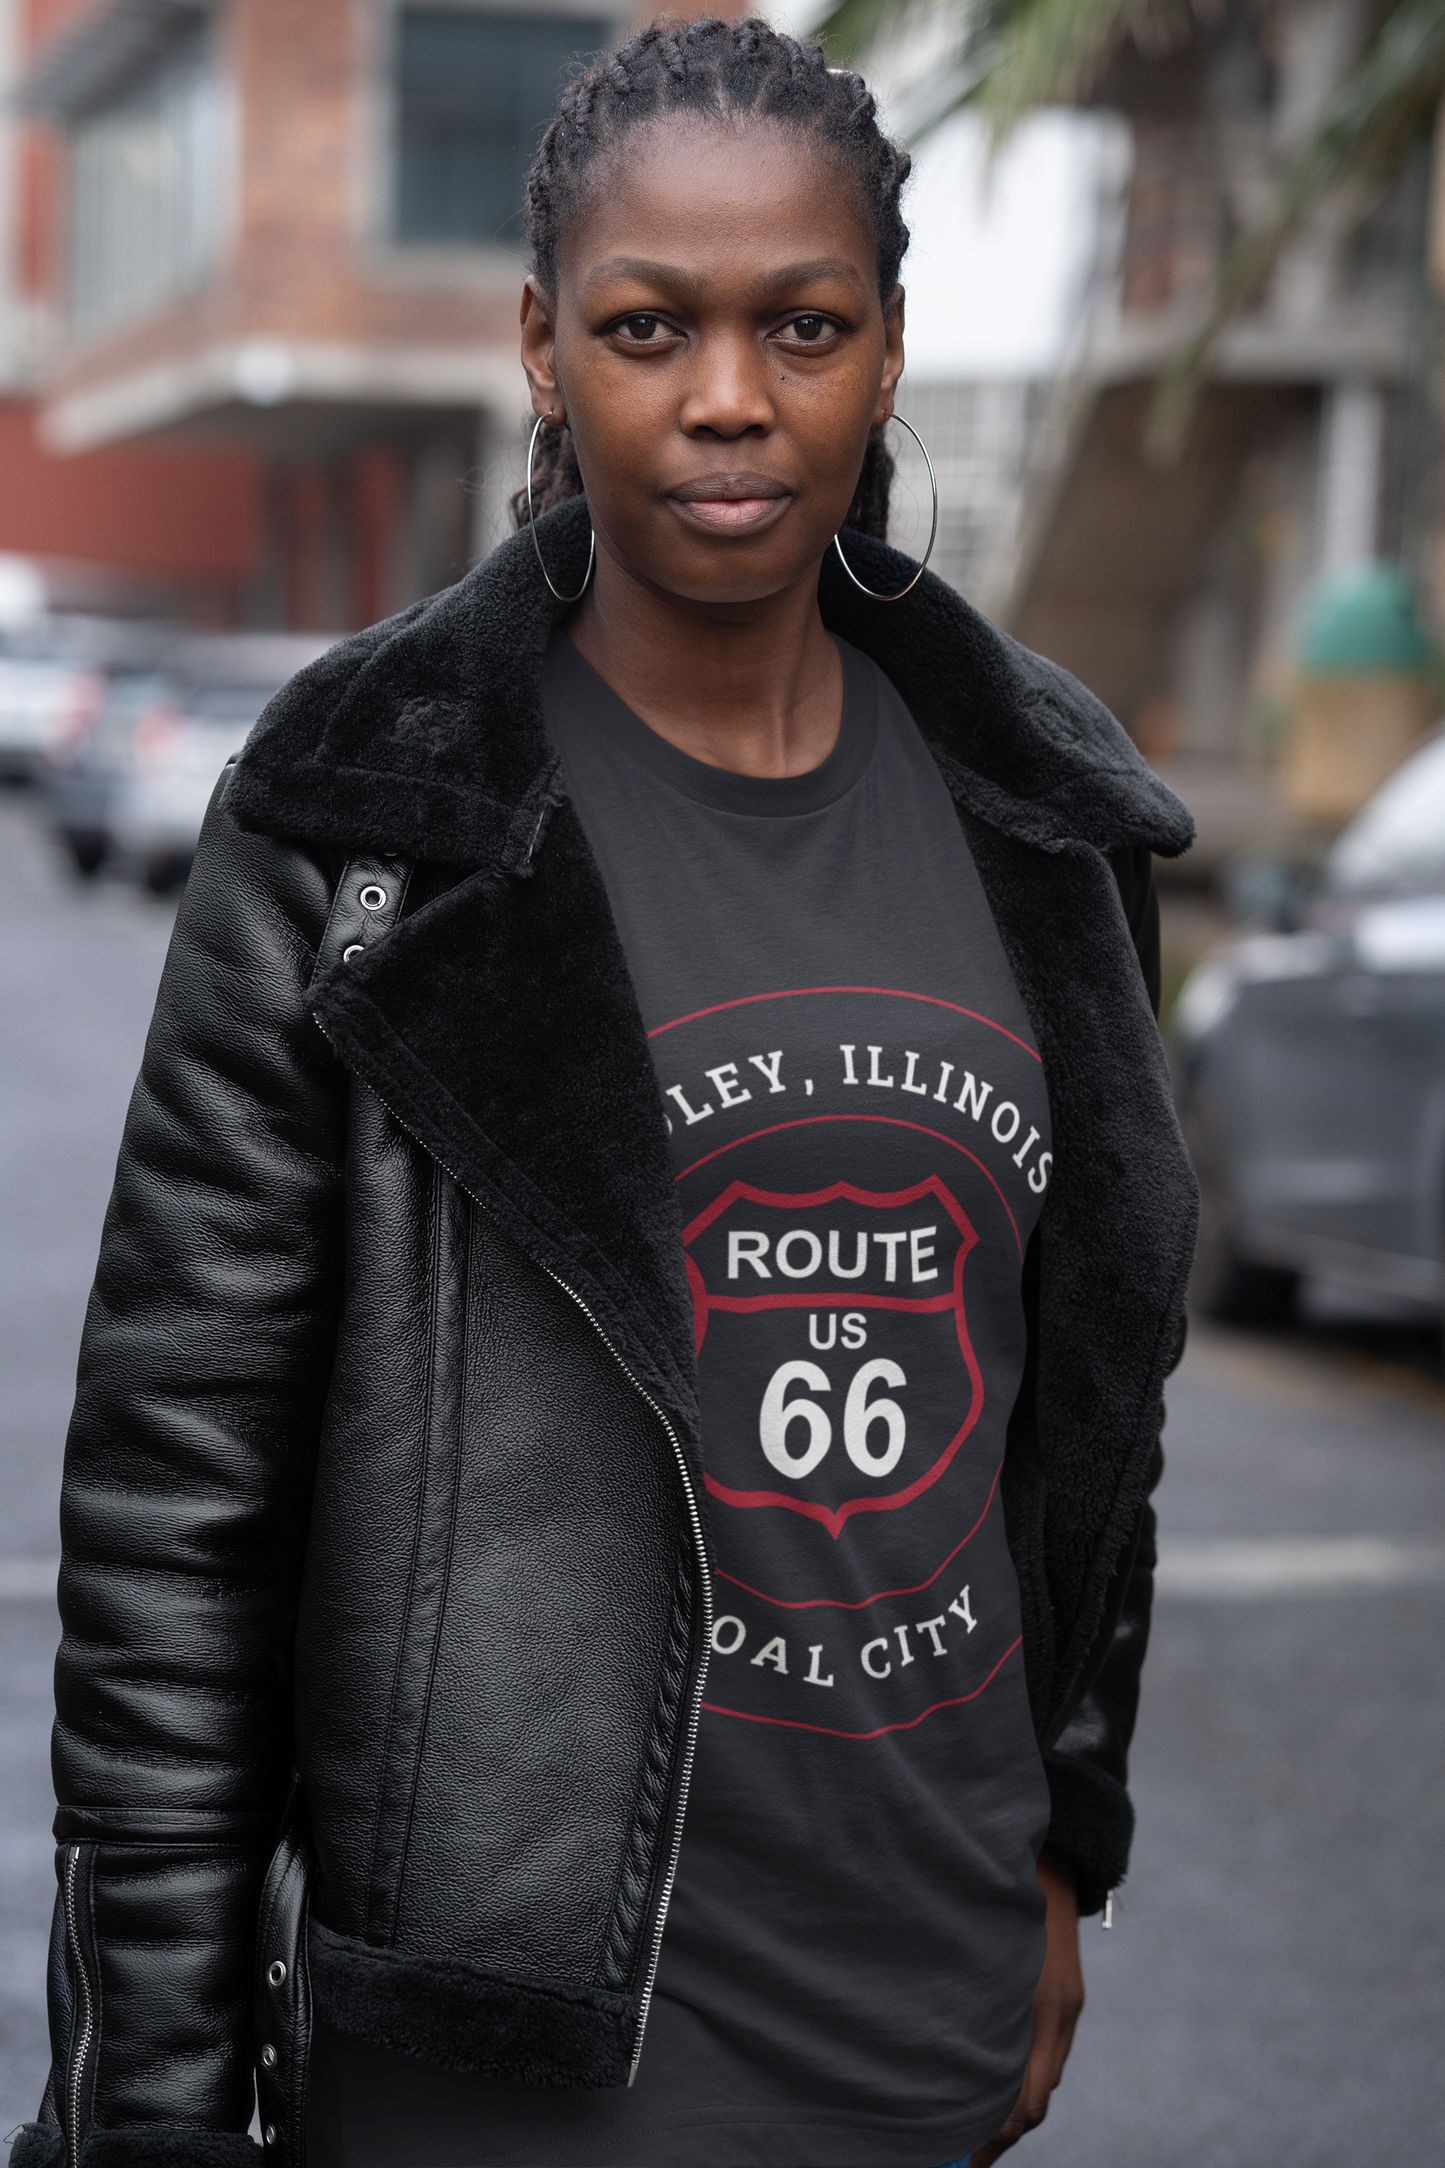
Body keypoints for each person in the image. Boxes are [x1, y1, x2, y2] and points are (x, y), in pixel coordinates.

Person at [14, 18, 1197, 2168]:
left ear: (886, 344)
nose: (728, 397)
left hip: (921, 2012)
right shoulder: (363, 822)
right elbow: (174, 1525)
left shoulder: (1048, 821)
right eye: (649, 327)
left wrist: (1062, 1842)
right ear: (544, 348)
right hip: (502, 2060)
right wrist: (150, 2101)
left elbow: (1087, 1412)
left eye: (800, 326)